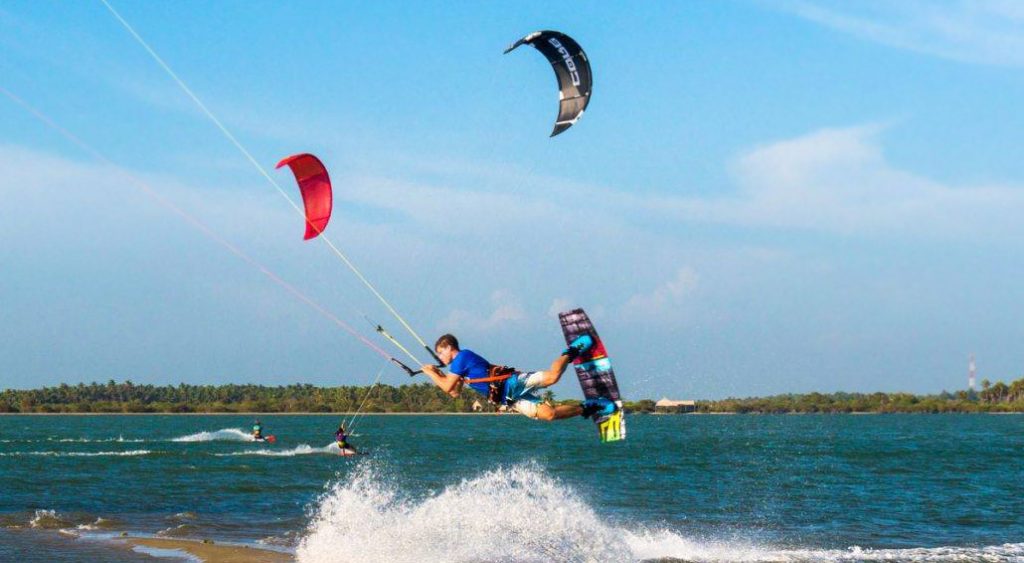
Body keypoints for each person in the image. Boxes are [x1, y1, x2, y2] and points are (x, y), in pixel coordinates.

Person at [420, 333, 616, 421]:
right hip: (509, 399)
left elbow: (447, 387)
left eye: (440, 352)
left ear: (449, 347)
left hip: (512, 382)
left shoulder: (462, 357)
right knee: (550, 415)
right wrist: (436, 374)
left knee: (553, 377)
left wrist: (430, 372)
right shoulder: (458, 368)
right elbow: (454, 392)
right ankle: (589, 406)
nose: (440, 357)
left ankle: (572, 351)